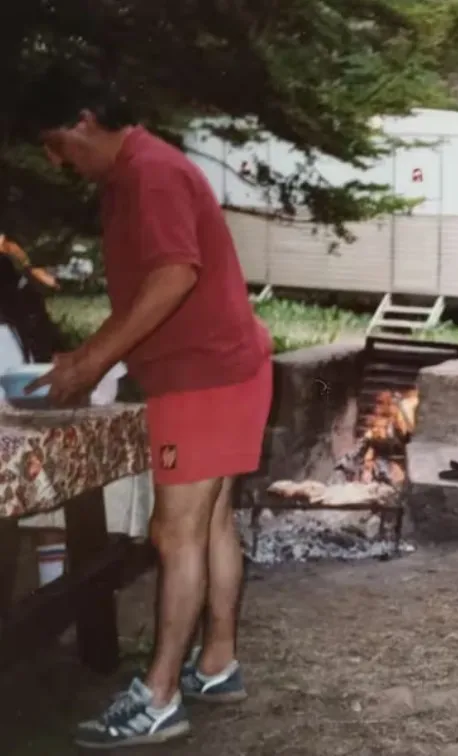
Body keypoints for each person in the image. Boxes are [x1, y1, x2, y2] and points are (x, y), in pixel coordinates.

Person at [26, 72, 272, 748]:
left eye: (56, 144)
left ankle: (159, 696)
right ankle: (216, 663)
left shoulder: (148, 174)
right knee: (211, 522)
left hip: (203, 377)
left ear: (83, 121)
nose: (56, 161)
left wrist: (93, 360)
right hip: (227, 367)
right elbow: (151, 287)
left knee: (175, 533)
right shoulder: (143, 171)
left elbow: (174, 275)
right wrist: (93, 351)